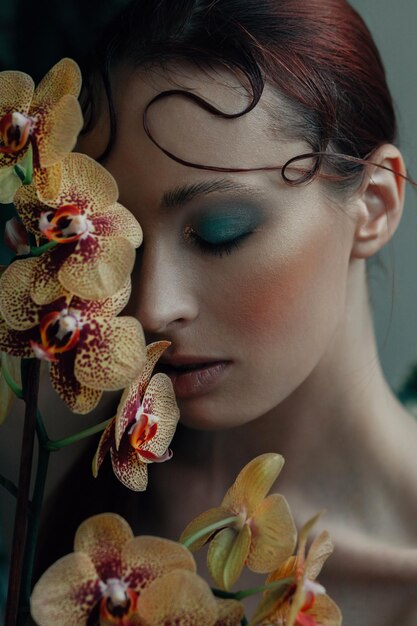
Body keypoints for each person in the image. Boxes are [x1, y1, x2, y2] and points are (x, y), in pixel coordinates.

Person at [40, 0, 417, 623]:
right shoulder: (61, 463)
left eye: (219, 231)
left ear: (374, 205)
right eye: (125, 245)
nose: (152, 307)